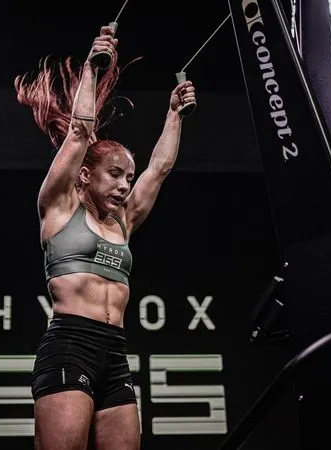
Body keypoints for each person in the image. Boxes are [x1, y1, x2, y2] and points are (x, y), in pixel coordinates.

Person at [14, 24, 196, 450]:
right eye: (114, 174)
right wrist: (94, 68)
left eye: (126, 177)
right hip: (68, 346)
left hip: (114, 352)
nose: (123, 185)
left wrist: (174, 114)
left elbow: (160, 168)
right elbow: (79, 131)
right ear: (84, 175)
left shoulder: (123, 222)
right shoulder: (58, 209)